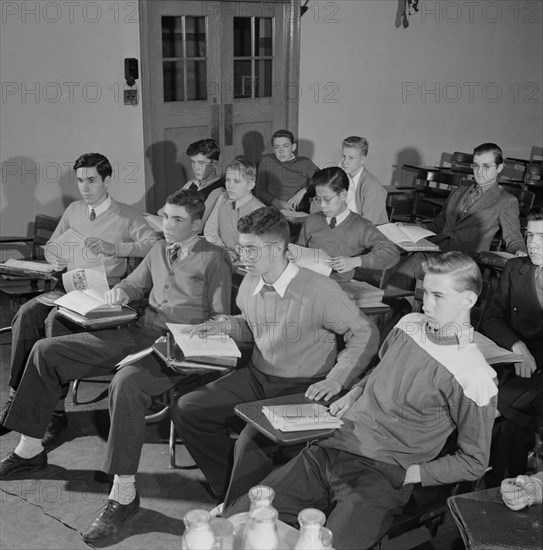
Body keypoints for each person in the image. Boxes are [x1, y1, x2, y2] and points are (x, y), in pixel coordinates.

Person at [0, 189, 232, 542]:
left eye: (178, 219)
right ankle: (30, 448)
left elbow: (221, 315)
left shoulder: (214, 257)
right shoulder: (157, 249)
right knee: (47, 350)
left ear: (197, 224)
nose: (167, 225)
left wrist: (200, 331)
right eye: (166, 217)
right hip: (138, 332)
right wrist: (121, 293)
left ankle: (124, 493)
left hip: (179, 346)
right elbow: (135, 283)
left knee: (126, 382)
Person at [224, 252, 499, 550]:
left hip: (380, 476)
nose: (427, 305)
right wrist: (355, 393)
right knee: (239, 520)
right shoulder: (409, 324)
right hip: (330, 449)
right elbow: (380, 370)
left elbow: (473, 462)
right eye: (424, 293)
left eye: (438, 296)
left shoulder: (476, 377)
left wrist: (409, 474)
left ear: (468, 300)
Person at [172, 206, 379, 509]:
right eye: (242, 248)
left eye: (252, 249)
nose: (243, 257)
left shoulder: (320, 289)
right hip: (259, 376)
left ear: (280, 248)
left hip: (303, 387)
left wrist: (337, 379)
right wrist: (224, 325)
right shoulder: (250, 280)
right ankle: (234, 490)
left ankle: (237, 512)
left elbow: (365, 333)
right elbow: (251, 325)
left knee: (249, 443)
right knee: (188, 408)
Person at [0, 152, 160, 440]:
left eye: (91, 180)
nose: (85, 187)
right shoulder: (74, 210)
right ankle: (15, 396)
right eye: (80, 181)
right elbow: (54, 245)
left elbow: (153, 244)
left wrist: (115, 248)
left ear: (107, 180)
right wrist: (57, 259)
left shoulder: (127, 214)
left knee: (53, 321)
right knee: (26, 314)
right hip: (68, 287)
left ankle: (55, 413)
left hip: (103, 291)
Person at [386, 143, 527, 290]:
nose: (479, 171)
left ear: (499, 168)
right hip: (431, 255)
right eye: (476, 165)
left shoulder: (506, 201)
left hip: (461, 266)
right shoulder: (457, 192)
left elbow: (514, 239)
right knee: (392, 288)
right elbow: (437, 226)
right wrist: (408, 228)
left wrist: (520, 252)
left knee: (429, 298)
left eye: (486, 166)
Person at [479, 207, 543, 482]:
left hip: (539, 372)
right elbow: (491, 319)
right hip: (512, 359)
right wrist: (518, 347)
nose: (532, 243)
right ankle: (514, 480)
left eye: (542, 236)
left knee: (500, 412)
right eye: (529, 234)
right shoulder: (515, 267)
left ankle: (491, 479)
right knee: (509, 415)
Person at [296, 166, 400, 283]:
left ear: (343, 195)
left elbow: (392, 253)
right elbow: (299, 252)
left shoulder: (361, 226)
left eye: (327, 199)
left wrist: (355, 261)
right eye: (318, 199)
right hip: (307, 283)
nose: (322, 205)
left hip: (339, 290)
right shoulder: (312, 220)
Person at [204, 159, 265, 260]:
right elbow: (210, 229)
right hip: (221, 256)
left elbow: (258, 250)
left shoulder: (259, 210)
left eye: (237, 181)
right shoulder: (222, 198)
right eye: (228, 180)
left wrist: (237, 257)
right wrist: (224, 250)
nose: (230, 186)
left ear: (251, 185)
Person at [254, 129, 318, 213]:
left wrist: (304, 190)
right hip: (272, 210)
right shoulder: (266, 161)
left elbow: (323, 180)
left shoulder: (304, 162)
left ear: (293, 147)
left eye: (285, 146)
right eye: (277, 147)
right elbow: (259, 190)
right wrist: (276, 202)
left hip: (298, 211)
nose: (281, 151)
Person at [340, 136, 388, 226]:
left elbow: (367, 225)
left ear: (363, 160)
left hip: (369, 234)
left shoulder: (372, 186)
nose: (345, 162)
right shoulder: (344, 178)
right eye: (343, 156)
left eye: (351, 158)